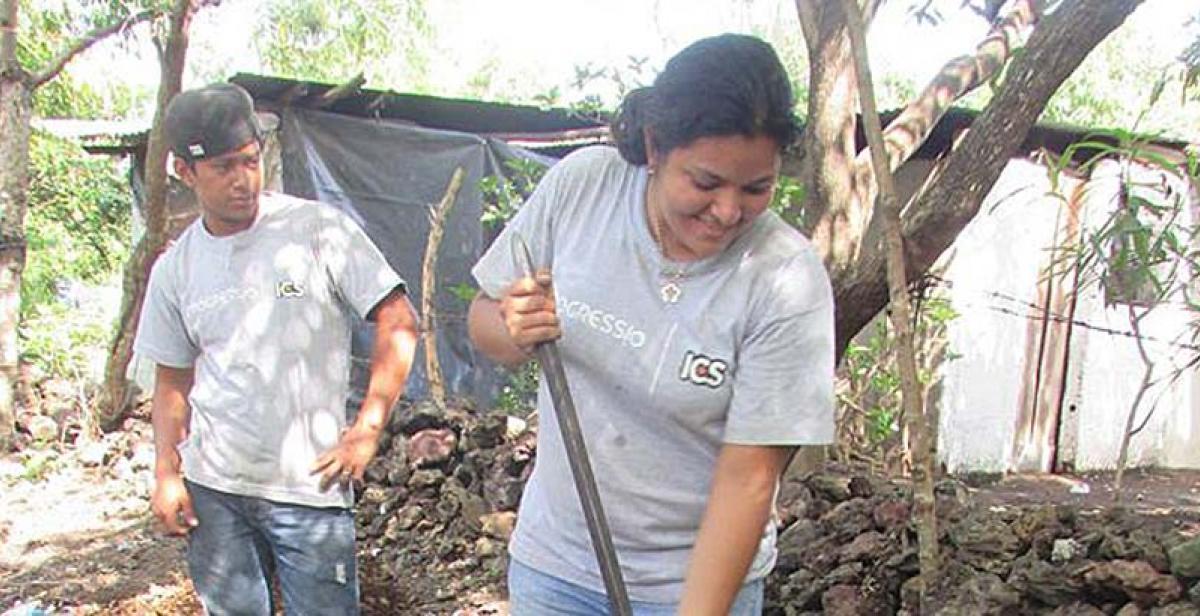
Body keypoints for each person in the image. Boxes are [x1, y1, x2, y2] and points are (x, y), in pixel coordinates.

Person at [468, 34, 835, 616]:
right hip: (557, 570)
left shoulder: (784, 276)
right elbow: (483, 321)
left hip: (696, 585)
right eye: (707, 183)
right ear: (654, 146)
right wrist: (512, 327)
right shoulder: (583, 187)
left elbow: (750, 481)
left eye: (756, 188)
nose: (728, 211)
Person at [135, 82, 419, 615]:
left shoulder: (315, 231)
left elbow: (399, 321)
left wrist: (367, 430)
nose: (243, 181)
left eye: (250, 161)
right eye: (223, 168)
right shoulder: (177, 268)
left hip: (308, 488)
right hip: (215, 490)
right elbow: (172, 380)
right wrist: (167, 473)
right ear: (185, 172)